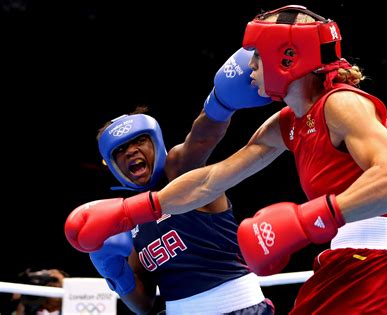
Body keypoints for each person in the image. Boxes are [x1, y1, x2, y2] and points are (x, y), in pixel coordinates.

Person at [65, 4, 387, 314]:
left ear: (288, 58)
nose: (249, 70)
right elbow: (210, 180)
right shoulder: (286, 125)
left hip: (379, 266)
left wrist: (307, 221)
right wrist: (129, 213)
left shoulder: (341, 103)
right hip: (372, 264)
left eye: (257, 59)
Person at [79, 48, 275, 314]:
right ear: (114, 166)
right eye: (120, 151)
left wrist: (222, 101)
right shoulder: (128, 218)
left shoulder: (179, 170)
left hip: (238, 307)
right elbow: (145, 303)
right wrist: (114, 272)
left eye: (139, 141)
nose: (132, 151)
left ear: (156, 143)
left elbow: (203, 137)